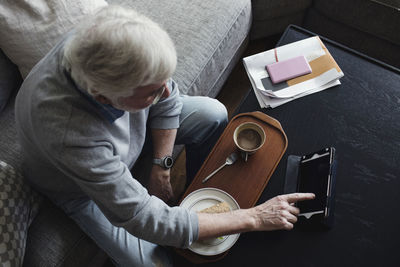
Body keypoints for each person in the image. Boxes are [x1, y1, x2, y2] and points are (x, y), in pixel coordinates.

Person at [15, 5, 314, 267]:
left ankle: (195, 192)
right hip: (80, 190)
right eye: (152, 92)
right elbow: (145, 218)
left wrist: (162, 164)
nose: (164, 92)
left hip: (125, 140)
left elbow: (169, 96)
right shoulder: (69, 134)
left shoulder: (109, 39)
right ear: (104, 98)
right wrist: (254, 218)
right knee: (150, 262)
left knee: (213, 114)